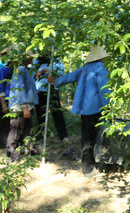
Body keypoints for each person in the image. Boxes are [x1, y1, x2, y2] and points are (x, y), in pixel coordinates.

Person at [48, 45, 111, 174]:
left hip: (85, 109)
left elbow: (70, 77)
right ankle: (98, 165)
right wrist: (109, 108)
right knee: (99, 137)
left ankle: (87, 167)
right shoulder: (101, 68)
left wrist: (56, 81)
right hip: (96, 108)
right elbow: (104, 90)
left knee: (87, 137)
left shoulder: (86, 68)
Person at [7, 49, 39, 160]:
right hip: (19, 106)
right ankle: (11, 154)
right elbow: (19, 89)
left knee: (27, 130)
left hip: (27, 105)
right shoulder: (20, 69)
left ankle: (29, 151)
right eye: (30, 57)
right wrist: (24, 107)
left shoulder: (26, 70)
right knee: (16, 131)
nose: (32, 59)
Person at [33, 55, 68, 142]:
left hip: (52, 91)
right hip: (40, 91)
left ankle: (63, 136)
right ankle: (43, 136)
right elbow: (31, 76)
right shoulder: (36, 61)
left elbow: (61, 75)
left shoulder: (56, 60)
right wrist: (40, 73)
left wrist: (51, 74)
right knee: (40, 114)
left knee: (57, 113)